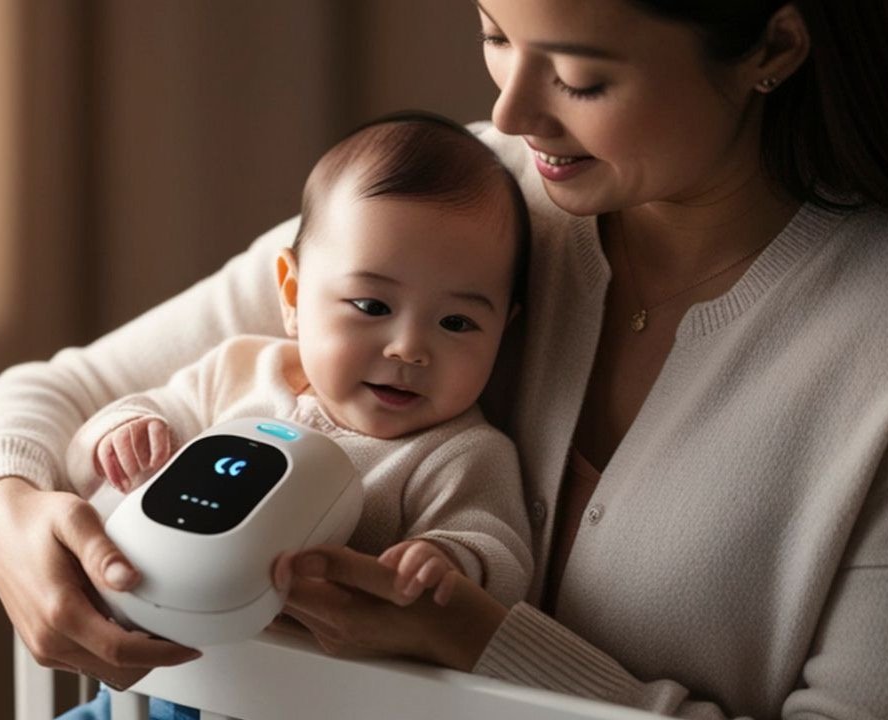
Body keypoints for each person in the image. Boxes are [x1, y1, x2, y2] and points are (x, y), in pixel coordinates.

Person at [0, 0, 888, 717]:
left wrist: (479, 641)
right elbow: (50, 398)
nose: (513, 110)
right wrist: (9, 518)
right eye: (495, 33)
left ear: (776, 46)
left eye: (582, 77)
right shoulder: (456, 202)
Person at [56, 112, 533, 719]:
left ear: (504, 331)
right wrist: (119, 431)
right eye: (371, 304)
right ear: (292, 295)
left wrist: (446, 562)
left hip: (303, 703)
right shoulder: (239, 372)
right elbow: (136, 423)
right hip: (155, 689)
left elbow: (501, 552)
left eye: (458, 323)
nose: (409, 348)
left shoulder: (459, 453)